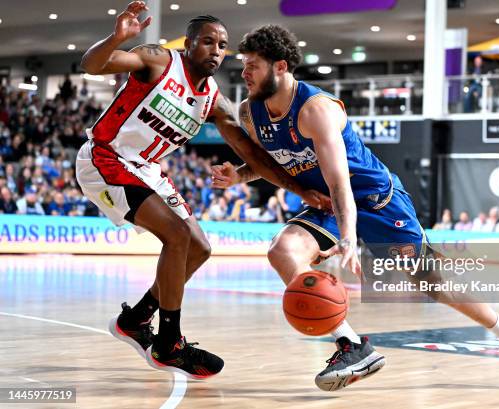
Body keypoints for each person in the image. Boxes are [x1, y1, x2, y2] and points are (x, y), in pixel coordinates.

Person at [212, 25, 499, 391]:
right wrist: (239, 176)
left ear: (281, 66)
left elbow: (340, 182)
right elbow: (274, 163)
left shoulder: (316, 109)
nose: (244, 73)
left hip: (375, 201)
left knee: (433, 284)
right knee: (282, 250)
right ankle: (351, 345)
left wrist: (348, 238)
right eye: (244, 65)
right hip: (327, 205)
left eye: (252, 65)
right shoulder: (250, 113)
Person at [76, 2, 329, 380]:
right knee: (176, 237)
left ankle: (137, 318)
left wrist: (298, 189)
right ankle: (169, 343)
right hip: (105, 157)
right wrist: (117, 38)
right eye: (208, 41)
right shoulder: (157, 60)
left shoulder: (213, 100)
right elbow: (91, 65)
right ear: (189, 44)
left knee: (200, 247)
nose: (216, 50)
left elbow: (251, 154)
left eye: (222, 45)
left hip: (146, 169)